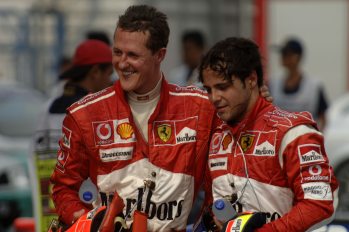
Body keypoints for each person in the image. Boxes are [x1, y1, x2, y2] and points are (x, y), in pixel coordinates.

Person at [50, 5, 272, 231]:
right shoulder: (84, 114)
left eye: (133, 55)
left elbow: (241, 151)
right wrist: (92, 222)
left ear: (160, 55)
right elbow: (62, 189)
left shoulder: (201, 108)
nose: (122, 63)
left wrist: (254, 104)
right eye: (117, 53)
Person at [199, 37, 338, 231]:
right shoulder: (216, 137)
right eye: (208, 89)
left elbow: (319, 205)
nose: (214, 98)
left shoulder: (294, 134)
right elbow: (211, 206)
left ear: (251, 80)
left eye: (223, 87)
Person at [32, 39, 113, 231]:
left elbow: (35, 153)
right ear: (95, 72)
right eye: (109, 74)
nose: (111, 81)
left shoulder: (48, 107)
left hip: (49, 208)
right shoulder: (93, 110)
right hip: (85, 213)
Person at [268, 38, 328, 130]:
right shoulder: (273, 83)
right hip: (279, 140)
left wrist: (318, 136)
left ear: (297, 57)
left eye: (286, 54)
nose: (282, 57)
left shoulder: (314, 86)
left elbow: (323, 117)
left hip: (305, 140)